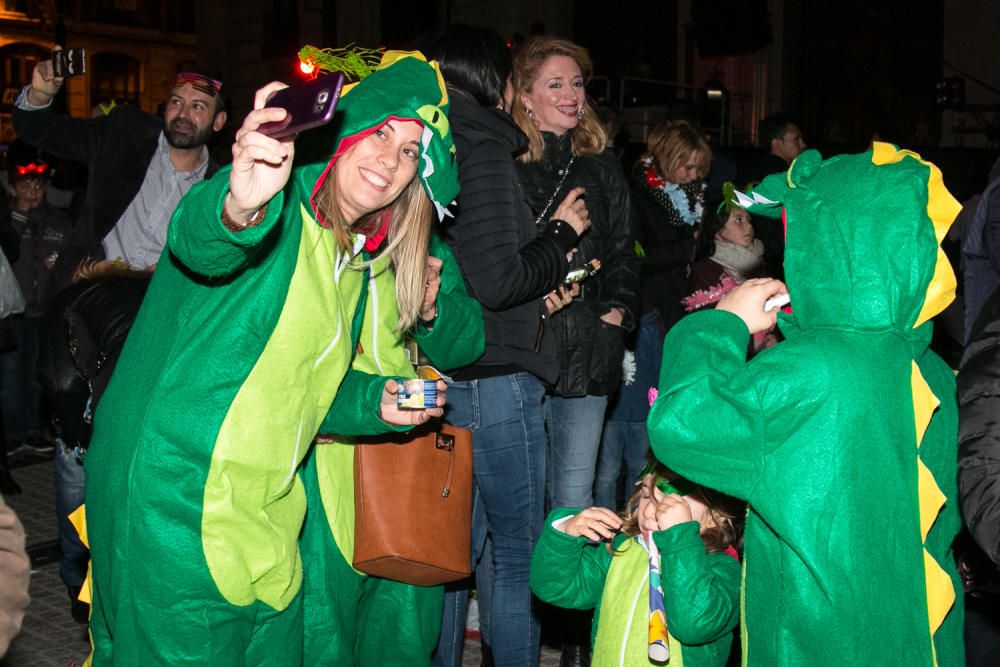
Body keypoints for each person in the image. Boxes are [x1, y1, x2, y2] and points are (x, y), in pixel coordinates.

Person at [82, 51, 459, 664]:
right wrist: (242, 201)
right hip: (173, 505)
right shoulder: (274, 210)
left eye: (411, 151)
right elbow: (201, 240)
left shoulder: (355, 264)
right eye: (382, 132)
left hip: (268, 513)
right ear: (344, 133)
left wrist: (374, 400)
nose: (392, 159)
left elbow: (301, 391)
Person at [649, 144, 965, 664]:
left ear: (824, 245)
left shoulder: (806, 371)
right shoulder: (928, 368)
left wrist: (720, 323)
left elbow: (684, 425)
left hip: (818, 639)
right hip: (917, 640)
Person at [423, 26, 591, 667]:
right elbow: (498, 281)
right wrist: (558, 236)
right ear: (494, 80)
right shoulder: (483, 145)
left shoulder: (436, 143)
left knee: (449, 555)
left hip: (451, 372)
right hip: (496, 382)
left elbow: (471, 268)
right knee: (517, 551)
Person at [512, 35, 640, 665]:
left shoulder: (601, 164)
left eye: (577, 84)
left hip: (588, 344)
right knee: (520, 493)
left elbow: (622, 252)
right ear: (526, 97)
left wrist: (617, 313)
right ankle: (523, 633)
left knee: (573, 493)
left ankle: (577, 641)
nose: (570, 95)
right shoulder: (505, 159)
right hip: (521, 342)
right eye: (555, 84)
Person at [13, 62, 227, 283]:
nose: (183, 114)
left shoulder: (221, 190)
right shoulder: (125, 133)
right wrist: (38, 95)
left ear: (218, 121)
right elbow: (40, 130)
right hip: (88, 293)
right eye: (176, 102)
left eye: (198, 106)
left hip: (155, 307)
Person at [530, 461, 741, 665]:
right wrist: (564, 533)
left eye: (670, 504)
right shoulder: (621, 551)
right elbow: (555, 587)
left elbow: (694, 624)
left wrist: (680, 539)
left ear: (717, 515)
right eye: (647, 496)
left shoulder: (723, 568)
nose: (649, 512)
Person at [0, 143, 71, 453]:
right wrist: (19, 215)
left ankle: (34, 429)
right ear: (13, 187)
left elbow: (69, 259)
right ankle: (13, 432)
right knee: (10, 374)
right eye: (25, 185)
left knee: (37, 375)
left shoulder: (57, 221)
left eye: (38, 185)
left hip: (45, 311)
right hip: (12, 314)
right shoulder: (5, 220)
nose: (32, 190)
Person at [631, 120, 711, 332]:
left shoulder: (695, 193)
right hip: (652, 305)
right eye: (689, 167)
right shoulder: (638, 195)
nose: (694, 176)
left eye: (699, 168)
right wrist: (689, 246)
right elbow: (637, 257)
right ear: (669, 158)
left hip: (684, 296)